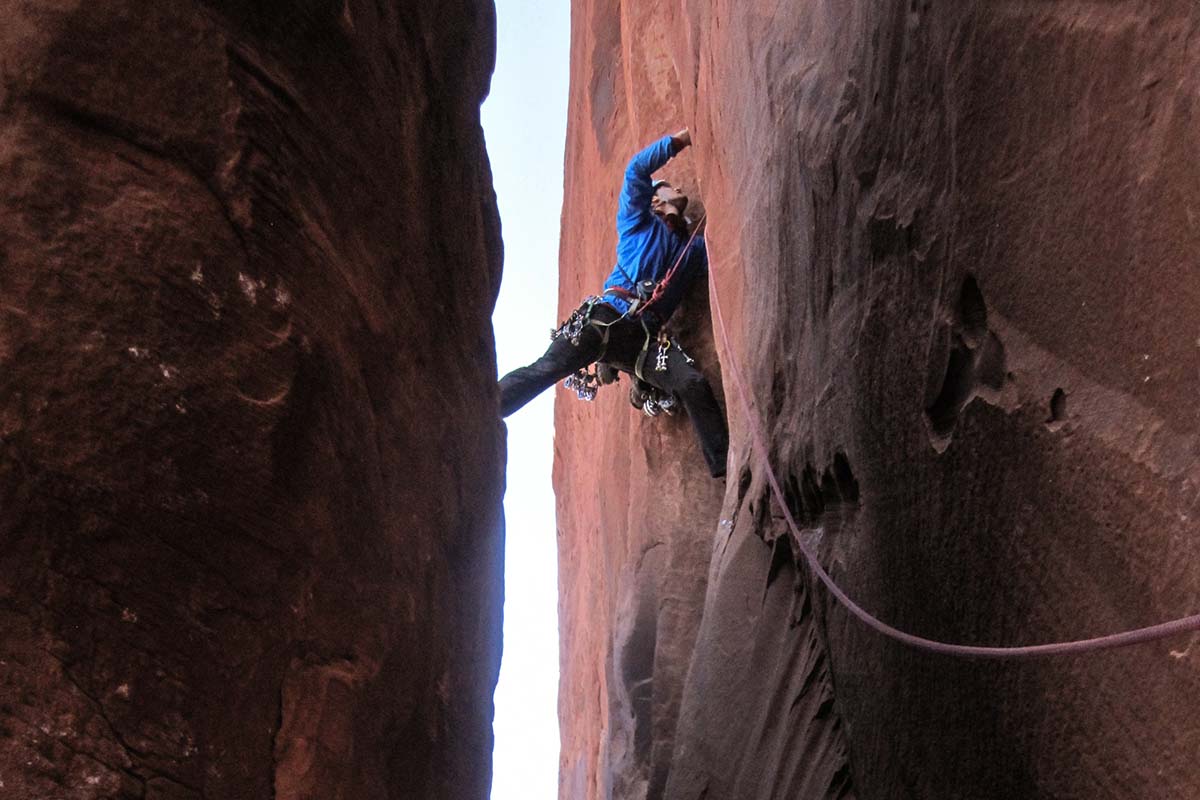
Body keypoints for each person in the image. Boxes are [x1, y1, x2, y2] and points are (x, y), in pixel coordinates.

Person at [498, 128, 729, 479]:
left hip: (642, 344)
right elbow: (636, 171)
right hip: (605, 319)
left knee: (692, 383)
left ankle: (726, 470)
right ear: (655, 201)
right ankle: (485, 409)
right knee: (546, 370)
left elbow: (719, 242)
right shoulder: (635, 223)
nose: (677, 189)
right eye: (668, 187)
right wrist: (679, 140)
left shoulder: (690, 253)